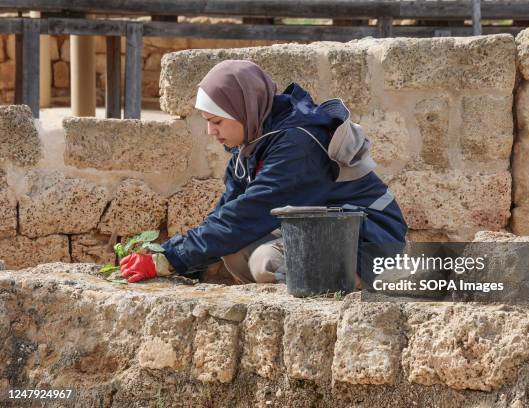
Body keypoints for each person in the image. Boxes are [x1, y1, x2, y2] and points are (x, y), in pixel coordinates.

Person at [120, 60, 408, 286]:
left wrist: (170, 257)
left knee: (267, 263)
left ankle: (370, 280)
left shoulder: (298, 144)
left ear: (243, 110)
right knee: (233, 253)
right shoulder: (252, 144)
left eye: (217, 121)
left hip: (373, 240)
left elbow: (247, 215)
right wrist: (173, 258)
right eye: (208, 122)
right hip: (327, 233)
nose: (211, 131)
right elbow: (227, 215)